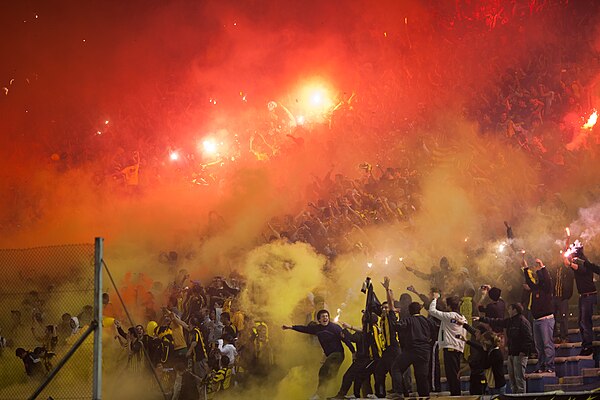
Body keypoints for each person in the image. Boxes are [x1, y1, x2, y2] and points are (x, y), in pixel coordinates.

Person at [283, 309, 355, 400]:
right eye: (323, 317)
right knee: (330, 376)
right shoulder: (317, 329)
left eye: (326, 316)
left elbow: (346, 340)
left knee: (323, 370)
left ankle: (320, 394)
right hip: (329, 356)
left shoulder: (335, 327)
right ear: (319, 320)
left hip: (338, 354)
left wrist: (353, 352)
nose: (325, 318)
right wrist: (291, 327)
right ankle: (331, 393)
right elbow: (304, 329)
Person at [385, 277, 436, 397]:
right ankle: (425, 397)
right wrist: (429, 344)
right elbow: (434, 333)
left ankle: (399, 393)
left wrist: (388, 293)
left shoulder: (408, 320)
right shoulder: (426, 321)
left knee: (396, 368)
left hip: (411, 350)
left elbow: (395, 326)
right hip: (425, 351)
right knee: (421, 377)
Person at [476, 303, 533, 393]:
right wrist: (481, 319)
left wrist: (523, 351)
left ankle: (521, 397)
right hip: (511, 353)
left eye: (510, 309)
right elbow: (497, 321)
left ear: (515, 310)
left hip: (519, 354)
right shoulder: (510, 321)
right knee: (512, 378)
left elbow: (528, 338)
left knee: (519, 378)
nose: (508, 311)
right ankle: (514, 396)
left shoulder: (523, 321)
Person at [428, 291, 467, 396]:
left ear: (449, 306)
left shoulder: (449, 316)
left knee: (452, 375)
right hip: (458, 349)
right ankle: (456, 394)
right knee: (455, 374)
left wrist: (435, 299)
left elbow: (432, 311)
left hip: (450, 349)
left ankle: (455, 395)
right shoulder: (463, 318)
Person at [564, 246, 599, 356]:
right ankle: (585, 344)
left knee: (585, 322)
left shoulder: (584, 262)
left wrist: (569, 263)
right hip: (583, 297)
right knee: (581, 322)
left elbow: (581, 269)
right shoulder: (578, 262)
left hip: (588, 296)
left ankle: (588, 346)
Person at [523, 257, 555, 373]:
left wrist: (542, 267)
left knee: (547, 344)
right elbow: (529, 281)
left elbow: (546, 279)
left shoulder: (547, 288)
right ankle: (541, 366)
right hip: (536, 320)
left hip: (546, 320)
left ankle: (550, 366)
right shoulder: (535, 288)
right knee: (539, 346)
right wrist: (526, 268)